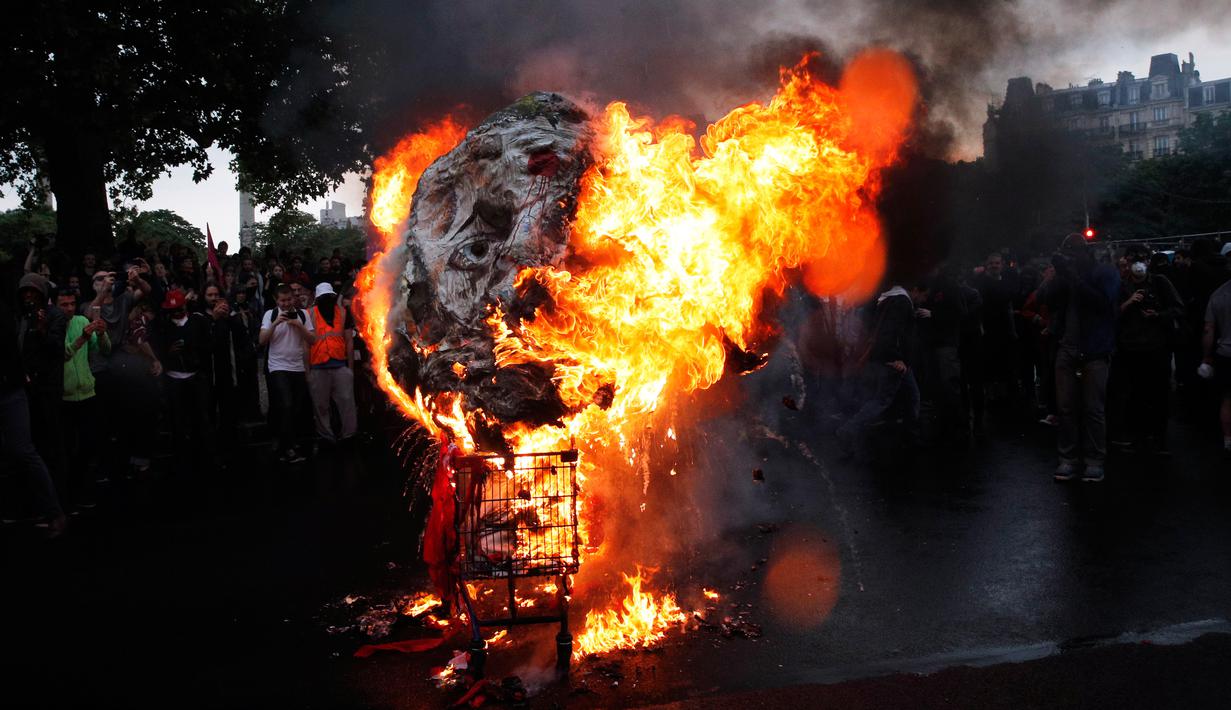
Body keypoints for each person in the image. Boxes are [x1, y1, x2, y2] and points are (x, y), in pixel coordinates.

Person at [1043, 234, 1120, 482]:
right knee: (1066, 408)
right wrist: (1057, 274)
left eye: (1074, 252)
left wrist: (1073, 277)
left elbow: (1105, 305)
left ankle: (1094, 460)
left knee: (1093, 409)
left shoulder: (1104, 273)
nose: (1071, 257)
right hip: (1068, 347)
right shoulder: (1066, 275)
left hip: (1095, 349)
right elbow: (1045, 299)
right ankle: (1068, 458)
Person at [0, 298, 67, 538]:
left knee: (24, 451)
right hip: (13, 387)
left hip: (10, 390)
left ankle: (54, 512)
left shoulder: (8, 311)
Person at [1108, 252, 1182, 454]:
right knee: (1133, 394)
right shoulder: (1121, 286)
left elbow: (1177, 308)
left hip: (1157, 348)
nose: (1137, 265)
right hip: (1130, 349)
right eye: (1133, 261)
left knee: (1158, 393)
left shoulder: (1160, 282)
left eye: (1141, 260)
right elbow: (1111, 313)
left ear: (1148, 262)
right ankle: (1136, 435)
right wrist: (1128, 303)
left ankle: (1159, 437)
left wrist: (1158, 315)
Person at [836, 282, 920, 456]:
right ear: (916, 290)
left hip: (895, 360)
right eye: (923, 296)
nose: (921, 300)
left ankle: (910, 438)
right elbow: (890, 333)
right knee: (881, 400)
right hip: (895, 361)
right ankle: (849, 430)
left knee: (911, 396)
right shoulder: (901, 302)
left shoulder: (885, 299)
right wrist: (895, 357)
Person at [150, 289, 216, 474]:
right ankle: (181, 459)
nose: (176, 314)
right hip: (174, 378)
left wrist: (192, 350)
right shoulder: (162, 325)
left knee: (201, 418)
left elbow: (210, 346)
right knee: (177, 420)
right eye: (172, 310)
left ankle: (205, 457)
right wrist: (168, 353)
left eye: (179, 309)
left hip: (195, 377)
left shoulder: (198, 321)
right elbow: (155, 350)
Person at [59, 288, 110, 510]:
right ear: (56, 305)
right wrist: (83, 338)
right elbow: (63, 354)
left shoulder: (82, 320)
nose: (69, 308)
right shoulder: (54, 324)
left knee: (88, 445)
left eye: (72, 303)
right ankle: (68, 494)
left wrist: (102, 332)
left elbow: (104, 350)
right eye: (64, 304)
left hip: (88, 392)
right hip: (65, 396)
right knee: (69, 447)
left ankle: (81, 491)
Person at [260, 284, 315, 463]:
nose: (286, 303)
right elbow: (261, 340)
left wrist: (298, 325)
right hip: (277, 366)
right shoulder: (271, 315)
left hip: (297, 366)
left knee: (296, 408)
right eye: (282, 300)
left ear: (294, 298)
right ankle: (289, 448)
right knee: (287, 404)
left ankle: (285, 443)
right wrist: (276, 323)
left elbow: (312, 340)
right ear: (276, 300)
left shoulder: (303, 314)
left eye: (289, 299)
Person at [307, 283, 357, 445]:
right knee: (320, 405)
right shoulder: (309, 314)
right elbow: (304, 345)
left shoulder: (343, 313)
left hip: (340, 365)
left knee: (347, 403)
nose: (327, 300)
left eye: (330, 297)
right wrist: (307, 371)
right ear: (318, 299)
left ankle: (349, 435)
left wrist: (350, 368)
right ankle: (326, 436)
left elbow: (349, 342)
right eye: (324, 298)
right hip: (317, 365)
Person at [1201, 277, 1231, 454]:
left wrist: (1206, 357)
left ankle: (1228, 440)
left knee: (1227, 399)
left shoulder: (1219, 294)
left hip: (1226, 354)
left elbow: (1208, 329)